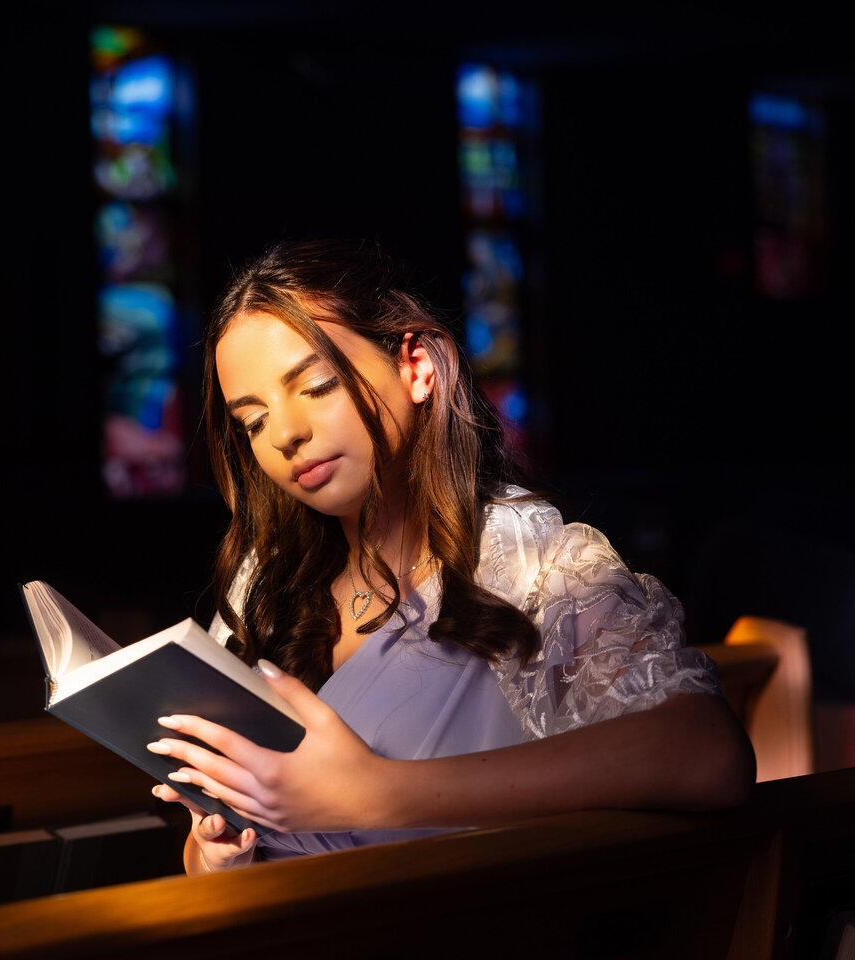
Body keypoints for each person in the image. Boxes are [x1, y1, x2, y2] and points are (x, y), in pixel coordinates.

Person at [150, 238, 754, 874]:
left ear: (416, 366)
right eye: (252, 420)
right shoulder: (261, 585)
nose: (284, 434)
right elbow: (214, 854)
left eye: (317, 385)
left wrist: (370, 791)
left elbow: (708, 755)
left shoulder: (537, 565)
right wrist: (216, 848)